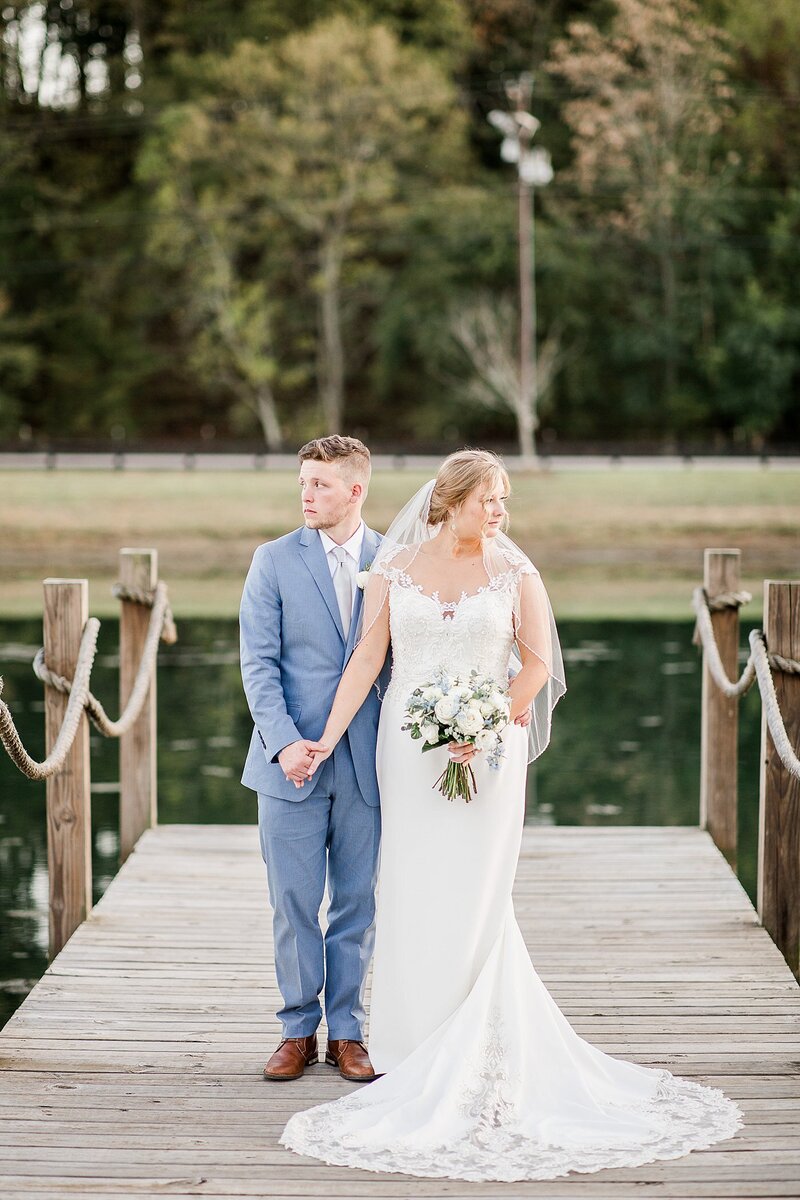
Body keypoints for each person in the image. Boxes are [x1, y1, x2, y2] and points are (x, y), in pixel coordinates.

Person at [280, 448, 743, 1182]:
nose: (499, 512)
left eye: (503, 500)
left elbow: (536, 666)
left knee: (476, 896)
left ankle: (480, 1042)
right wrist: (326, 740)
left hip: (484, 755)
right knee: (411, 887)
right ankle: (409, 1044)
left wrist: (488, 720)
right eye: (488, 499)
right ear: (451, 500)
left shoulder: (516, 574)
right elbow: (367, 662)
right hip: (406, 751)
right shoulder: (394, 569)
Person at [239, 435, 390, 1084]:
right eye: (303, 482)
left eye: (322, 484)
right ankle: (297, 1031)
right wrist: (284, 743)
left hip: (369, 765)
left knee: (358, 901)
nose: (307, 494)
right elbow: (258, 665)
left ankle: (349, 1034)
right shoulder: (272, 561)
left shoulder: (396, 561)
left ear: (356, 490)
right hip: (287, 764)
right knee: (293, 902)